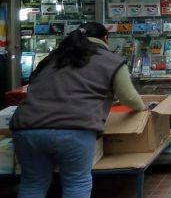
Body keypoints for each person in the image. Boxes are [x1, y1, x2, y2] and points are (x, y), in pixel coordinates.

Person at [11, 22, 145, 198]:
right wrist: (143, 108)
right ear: (105, 38)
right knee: (76, 182)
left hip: (27, 127)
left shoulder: (51, 59)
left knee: (33, 182)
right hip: (74, 129)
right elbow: (129, 98)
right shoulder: (111, 60)